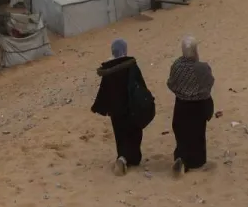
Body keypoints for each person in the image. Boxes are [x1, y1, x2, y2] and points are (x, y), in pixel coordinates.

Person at [91, 38, 153, 175]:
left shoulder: (108, 70)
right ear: (125, 50)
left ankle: (122, 157)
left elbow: (104, 91)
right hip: (130, 108)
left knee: (120, 135)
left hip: (116, 111)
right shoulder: (130, 66)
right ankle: (130, 158)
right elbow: (140, 86)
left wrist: (104, 107)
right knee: (134, 133)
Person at [167, 35, 215, 175]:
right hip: (198, 106)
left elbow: (171, 84)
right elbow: (209, 84)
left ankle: (181, 158)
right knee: (197, 134)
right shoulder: (202, 68)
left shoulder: (176, 66)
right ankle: (196, 162)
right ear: (195, 50)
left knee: (181, 134)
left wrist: (183, 92)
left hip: (181, 105)